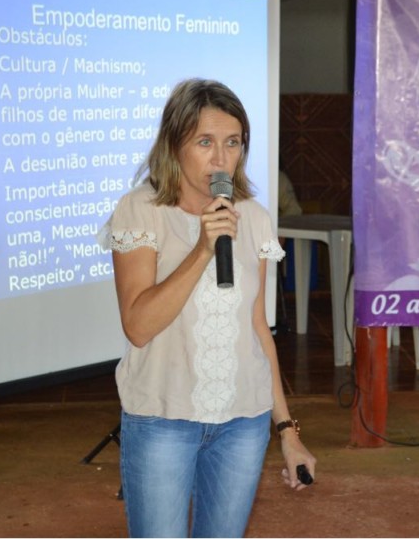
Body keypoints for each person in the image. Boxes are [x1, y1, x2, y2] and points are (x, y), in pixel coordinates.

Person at [104, 78, 316, 538]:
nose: (221, 159)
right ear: (173, 144)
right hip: (162, 420)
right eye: (205, 142)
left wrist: (287, 432)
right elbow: (138, 326)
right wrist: (203, 249)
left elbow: (257, 330)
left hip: (243, 422)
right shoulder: (141, 210)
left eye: (232, 143)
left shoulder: (253, 217)